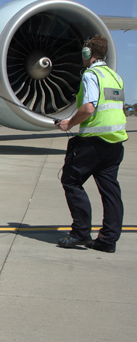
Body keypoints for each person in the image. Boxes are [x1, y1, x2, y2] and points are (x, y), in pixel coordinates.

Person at [55, 34, 127, 253]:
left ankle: (80, 232)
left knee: (71, 181)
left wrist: (69, 123)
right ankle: (108, 241)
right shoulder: (115, 77)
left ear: (88, 53)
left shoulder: (91, 74)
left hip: (94, 143)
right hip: (115, 144)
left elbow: (88, 108)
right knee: (110, 191)